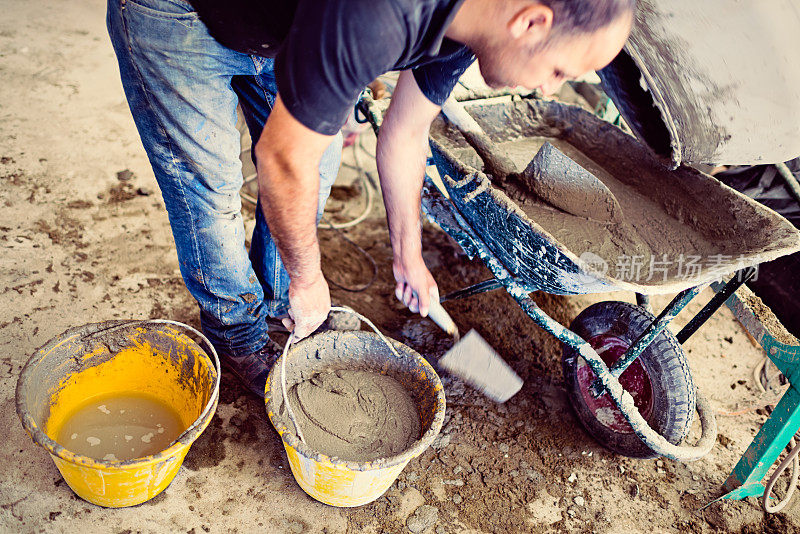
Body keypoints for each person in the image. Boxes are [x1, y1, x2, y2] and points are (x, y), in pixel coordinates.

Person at [107, 0, 634, 397]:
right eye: (560, 72)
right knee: (210, 191)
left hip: (287, 23)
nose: (550, 89)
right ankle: (238, 334)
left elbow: (405, 134)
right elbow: (282, 159)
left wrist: (408, 258)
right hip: (180, 15)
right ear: (531, 22)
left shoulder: (471, 23)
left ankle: (279, 308)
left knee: (323, 158)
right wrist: (311, 278)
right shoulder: (377, 14)